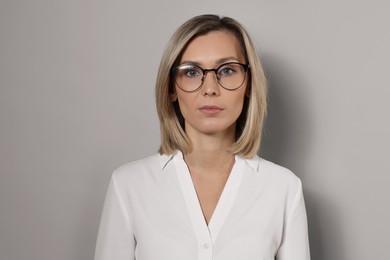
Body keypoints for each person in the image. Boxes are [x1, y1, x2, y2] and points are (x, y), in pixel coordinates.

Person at [94, 14, 310, 260]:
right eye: (191, 72)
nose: (210, 88)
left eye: (227, 70)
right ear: (172, 87)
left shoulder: (283, 189)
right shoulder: (129, 185)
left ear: (249, 84)